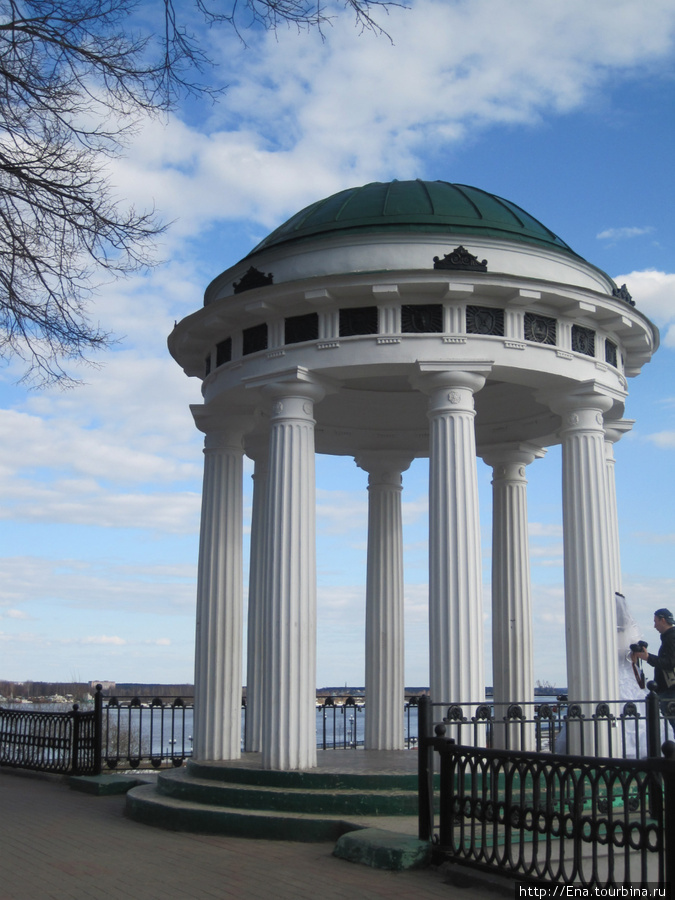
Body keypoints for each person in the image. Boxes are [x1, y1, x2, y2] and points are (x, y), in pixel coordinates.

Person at [632, 608, 675, 736]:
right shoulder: (669, 637)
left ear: (663, 620)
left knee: (671, 723)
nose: (654, 626)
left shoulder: (671, 638)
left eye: (656, 621)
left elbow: (669, 662)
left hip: (670, 690)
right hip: (668, 689)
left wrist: (648, 658)